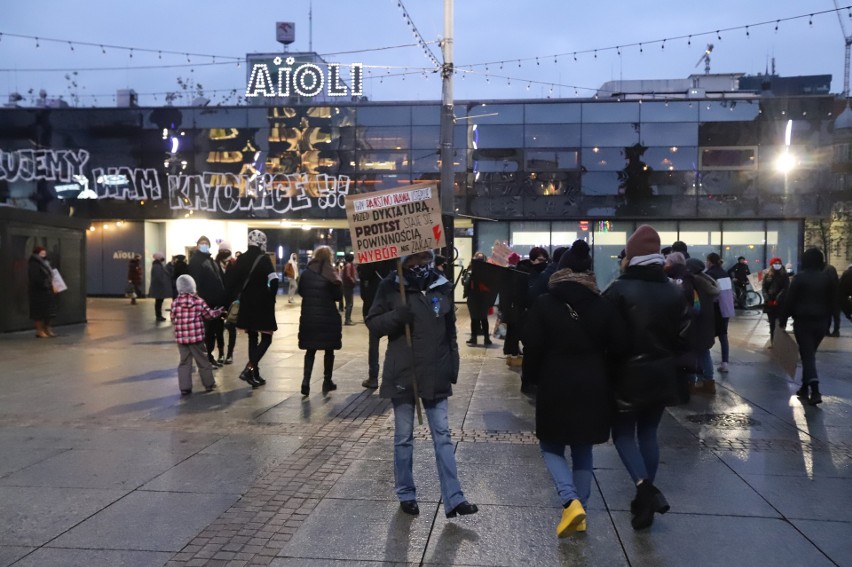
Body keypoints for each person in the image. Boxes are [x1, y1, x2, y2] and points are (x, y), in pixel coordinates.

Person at [523, 240, 628, 537]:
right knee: (583, 448)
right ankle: (580, 509)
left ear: (561, 270)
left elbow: (532, 345)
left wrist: (531, 379)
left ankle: (570, 501)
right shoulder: (603, 304)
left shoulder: (545, 302)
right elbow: (620, 345)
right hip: (593, 382)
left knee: (550, 444)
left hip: (555, 380)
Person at [365, 250, 478, 520]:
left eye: (425, 259)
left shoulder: (441, 285)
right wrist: (396, 317)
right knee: (404, 438)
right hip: (404, 373)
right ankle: (406, 493)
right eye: (414, 260)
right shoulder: (390, 286)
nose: (421, 265)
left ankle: (455, 498)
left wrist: (453, 364)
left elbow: (450, 330)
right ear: (405, 261)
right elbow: (373, 323)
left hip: (436, 372)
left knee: (443, 436)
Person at [603, 225, 690, 531]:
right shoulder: (674, 291)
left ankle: (644, 489)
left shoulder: (618, 290)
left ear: (631, 256)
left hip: (627, 375)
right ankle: (644, 502)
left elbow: (609, 338)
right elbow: (683, 337)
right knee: (649, 434)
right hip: (663, 373)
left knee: (623, 434)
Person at [783, 248, 837, 406]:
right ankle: (804, 388)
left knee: (808, 355)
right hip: (822, 322)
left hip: (803, 322)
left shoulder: (799, 278)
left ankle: (815, 390)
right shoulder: (827, 279)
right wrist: (835, 323)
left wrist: (783, 319)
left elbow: (790, 300)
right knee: (809, 354)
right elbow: (833, 302)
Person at [226, 230, 278, 388]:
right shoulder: (264, 259)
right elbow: (274, 280)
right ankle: (249, 369)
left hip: (246, 304)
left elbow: (232, 282)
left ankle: (255, 374)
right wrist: (271, 297)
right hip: (262, 303)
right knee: (267, 337)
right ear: (262, 243)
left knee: (252, 337)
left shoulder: (241, 259)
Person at [298, 245, 343, 395]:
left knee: (310, 351)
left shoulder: (306, 273)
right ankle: (327, 381)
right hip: (327, 317)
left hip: (309, 317)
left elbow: (302, 292)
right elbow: (337, 296)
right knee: (328, 350)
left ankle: (305, 381)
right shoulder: (332, 273)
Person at [171, 274, 223, 396]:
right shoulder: (199, 302)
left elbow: (173, 318)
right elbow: (209, 315)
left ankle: (185, 388)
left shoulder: (175, 303)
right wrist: (219, 311)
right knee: (203, 361)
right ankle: (209, 384)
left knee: (184, 362)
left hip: (181, 338)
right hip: (196, 338)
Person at [188, 236, 226, 367]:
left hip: (214, 302)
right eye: (201, 243)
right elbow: (194, 281)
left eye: (206, 243)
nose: (204, 245)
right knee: (205, 332)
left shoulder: (210, 260)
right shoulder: (195, 261)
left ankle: (209, 356)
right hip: (204, 301)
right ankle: (204, 359)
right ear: (197, 245)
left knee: (213, 332)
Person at [357, 259, 395, 389]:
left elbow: (363, 277)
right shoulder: (393, 259)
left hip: (372, 306)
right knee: (394, 342)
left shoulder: (368, 260)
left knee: (373, 344)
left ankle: (373, 377)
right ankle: (392, 377)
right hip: (391, 304)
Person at [686, 257, 720, 394]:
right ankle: (708, 382)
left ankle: (692, 383)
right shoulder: (707, 281)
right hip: (707, 323)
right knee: (704, 353)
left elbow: (693, 306)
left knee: (692, 354)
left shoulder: (694, 283)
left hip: (696, 324)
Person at [705, 253, 736, 373]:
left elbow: (710, 293)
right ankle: (725, 362)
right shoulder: (724, 273)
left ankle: (705, 363)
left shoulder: (709, 274)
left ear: (710, 261)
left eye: (706, 260)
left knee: (707, 335)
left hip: (714, 308)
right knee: (723, 336)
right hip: (725, 309)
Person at [464, 251, 496, 346]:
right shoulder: (470, 269)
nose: (479, 260)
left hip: (483, 297)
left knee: (483, 318)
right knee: (474, 318)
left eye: (481, 259)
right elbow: (465, 283)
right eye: (478, 258)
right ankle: (474, 337)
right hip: (473, 296)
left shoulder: (488, 270)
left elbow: (492, 284)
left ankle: (486, 338)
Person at [28, 245, 57, 338]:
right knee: (39, 312)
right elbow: (35, 278)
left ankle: (47, 328)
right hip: (38, 291)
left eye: (44, 251)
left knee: (48, 311)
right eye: (41, 252)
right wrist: (44, 283)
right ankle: (39, 330)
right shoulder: (34, 263)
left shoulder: (46, 263)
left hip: (48, 290)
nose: (43, 253)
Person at [216, 242, 238, 364]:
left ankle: (230, 354)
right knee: (218, 329)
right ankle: (220, 353)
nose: (224, 252)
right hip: (218, 300)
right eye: (222, 250)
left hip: (232, 301)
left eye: (226, 250)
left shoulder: (235, 264)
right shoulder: (214, 263)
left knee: (231, 328)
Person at [762, 257, 790, 346]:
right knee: (772, 323)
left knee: (781, 322)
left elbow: (785, 288)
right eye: (775, 263)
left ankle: (780, 341)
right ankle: (773, 342)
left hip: (780, 302)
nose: (777, 265)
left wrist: (778, 298)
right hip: (769, 302)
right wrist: (766, 297)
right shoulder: (768, 275)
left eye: (779, 263)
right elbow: (764, 287)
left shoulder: (784, 275)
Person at [149, 252, 172, 322]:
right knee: (159, 302)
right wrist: (163, 282)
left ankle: (159, 315)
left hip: (159, 287)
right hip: (159, 288)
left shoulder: (157, 265)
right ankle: (158, 316)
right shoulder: (157, 266)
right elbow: (158, 277)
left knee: (159, 301)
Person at [341, 252, 358, 326]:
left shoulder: (348, 265)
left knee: (349, 303)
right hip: (347, 286)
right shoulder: (348, 265)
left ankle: (348, 319)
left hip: (347, 286)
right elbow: (348, 275)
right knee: (349, 304)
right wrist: (353, 280)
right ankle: (347, 320)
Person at [825, 264, 841, 337]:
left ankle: (828, 330)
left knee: (828, 315)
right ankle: (835, 330)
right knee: (835, 315)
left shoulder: (827, 271)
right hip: (836, 296)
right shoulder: (831, 269)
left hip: (829, 297)